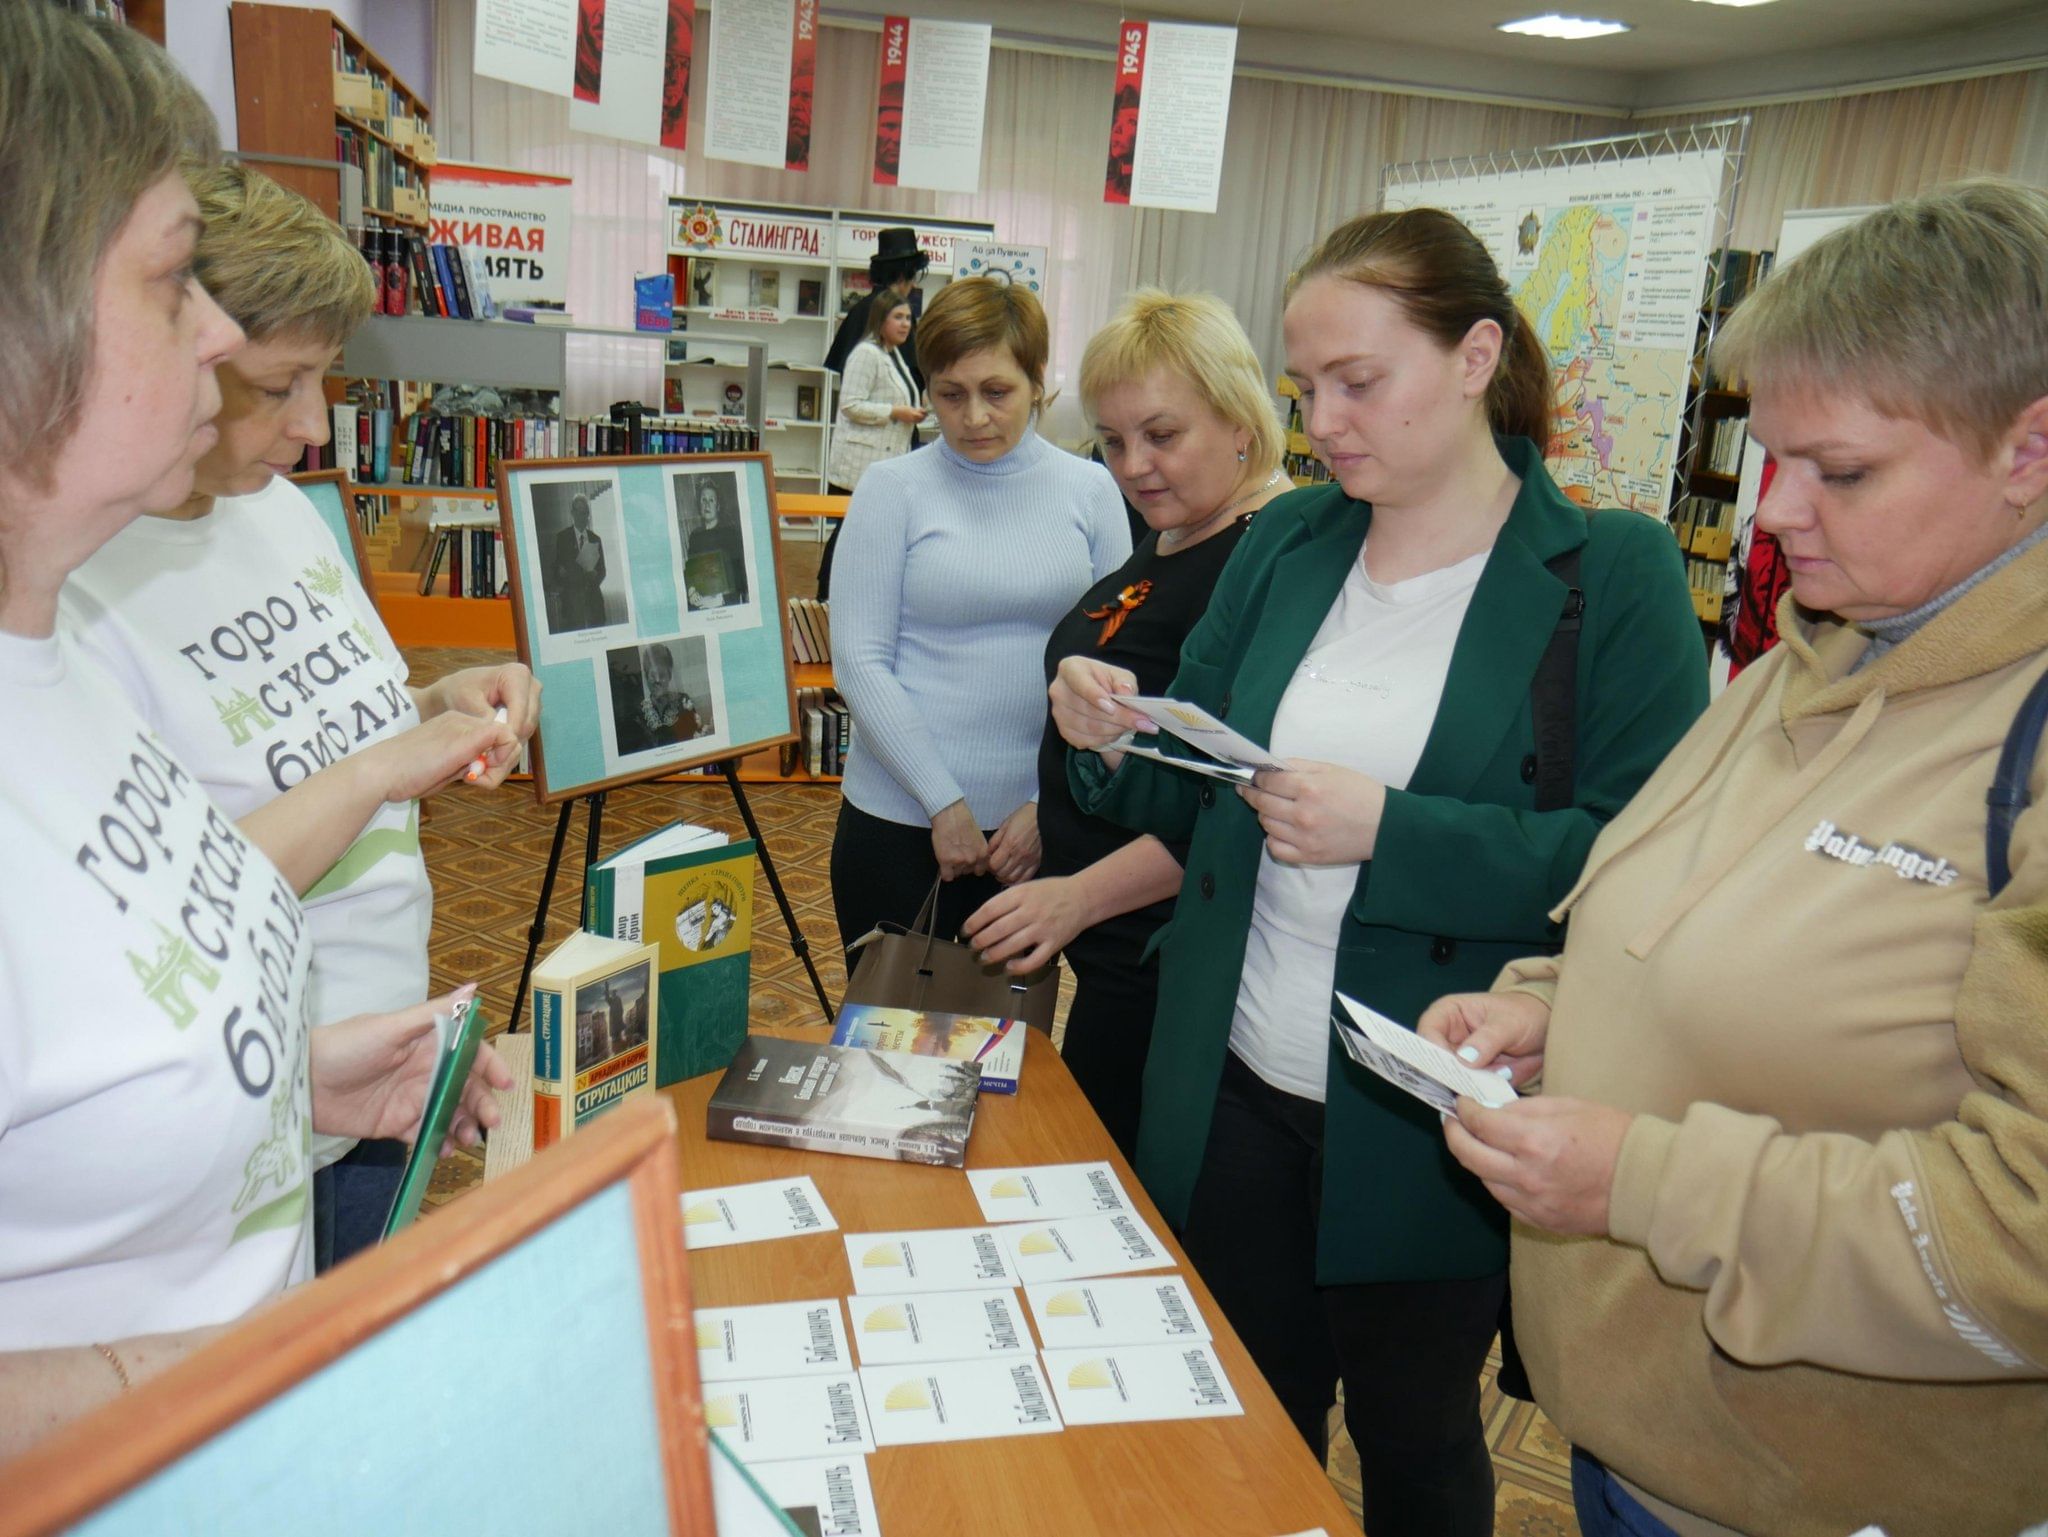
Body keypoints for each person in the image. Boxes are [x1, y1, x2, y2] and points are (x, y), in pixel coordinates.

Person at [1049, 208, 1705, 1535]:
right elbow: (1188, 783)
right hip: (1231, 1075)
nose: (1326, 419)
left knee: (1416, 1440)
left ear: (1474, 358)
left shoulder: (1609, 574)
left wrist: (1389, 831)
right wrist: (1105, 731)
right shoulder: (1295, 541)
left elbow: (1646, 862)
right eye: (1305, 389)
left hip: (1430, 1109)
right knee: (1245, 1420)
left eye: (1360, 380)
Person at [1422, 179, 2048, 1537]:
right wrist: (1549, 1003)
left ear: (2030, 450)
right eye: (1774, 460)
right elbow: (1665, 917)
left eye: (1846, 472)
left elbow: (2027, 1235)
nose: (1772, 516)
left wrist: (1644, 1180)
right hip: (1646, 1447)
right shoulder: (1814, 654)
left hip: (1834, 1495)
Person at [0, 5, 509, 1457]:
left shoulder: (58, 666)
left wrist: (293, 1077)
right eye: (173, 282)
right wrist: (250, 1371)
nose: (222, 340)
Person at [59, 162, 540, 1272]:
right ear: (184, 354)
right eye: (278, 387)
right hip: (241, 1098)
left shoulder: (275, 508)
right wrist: (387, 768)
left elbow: (311, 725)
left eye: (324, 381)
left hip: (372, 1048)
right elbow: (165, 903)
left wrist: (433, 703)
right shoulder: (82, 578)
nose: (315, 427)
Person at [963, 291, 1288, 1159]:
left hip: (1161, 961)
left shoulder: (1263, 559)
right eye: (1112, 441)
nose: (1133, 465)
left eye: (1162, 434)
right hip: (1105, 949)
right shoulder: (1178, 530)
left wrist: (1078, 895)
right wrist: (1052, 800)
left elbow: (1234, 801)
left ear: (1240, 422)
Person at [831, 278, 1130, 963]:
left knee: (1005, 1053)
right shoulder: (891, 490)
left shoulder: (1090, 491)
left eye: (997, 392)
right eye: (949, 394)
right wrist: (944, 803)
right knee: (892, 1048)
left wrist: (1043, 804)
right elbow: (860, 662)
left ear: (1037, 383)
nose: (972, 418)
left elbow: (1116, 663)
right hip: (900, 821)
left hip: (1036, 829)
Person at [820, 293, 927, 600]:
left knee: (863, 536)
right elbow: (851, 405)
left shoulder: (893, 354)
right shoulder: (866, 354)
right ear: (881, 320)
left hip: (884, 461)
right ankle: (825, 596)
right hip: (859, 465)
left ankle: (846, 594)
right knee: (847, 535)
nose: (906, 324)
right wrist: (895, 412)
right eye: (898, 317)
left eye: (908, 318)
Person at [825, 226, 929, 384]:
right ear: (902, 275)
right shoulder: (898, 311)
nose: (913, 285)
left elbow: (845, 371)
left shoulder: (859, 309)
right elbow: (910, 373)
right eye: (912, 276)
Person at [683, 478, 749, 611]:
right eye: (703, 500)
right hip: (700, 601)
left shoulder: (730, 533)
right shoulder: (695, 536)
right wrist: (690, 591)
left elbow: (740, 575)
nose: (707, 504)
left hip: (724, 603)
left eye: (711, 500)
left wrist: (720, 600)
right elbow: (690, 571)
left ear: (718, 506)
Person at [550, 492, 608, 630]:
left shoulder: (596, 539)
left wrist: (595, 576)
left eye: (584, 512)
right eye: (578, 512)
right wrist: (561, 573)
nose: (582, 516)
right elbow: (557, 571)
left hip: (594, 603)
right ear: (572, 513)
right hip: (573, 604)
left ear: (588, 514)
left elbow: (602, 571)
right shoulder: (563, 538)